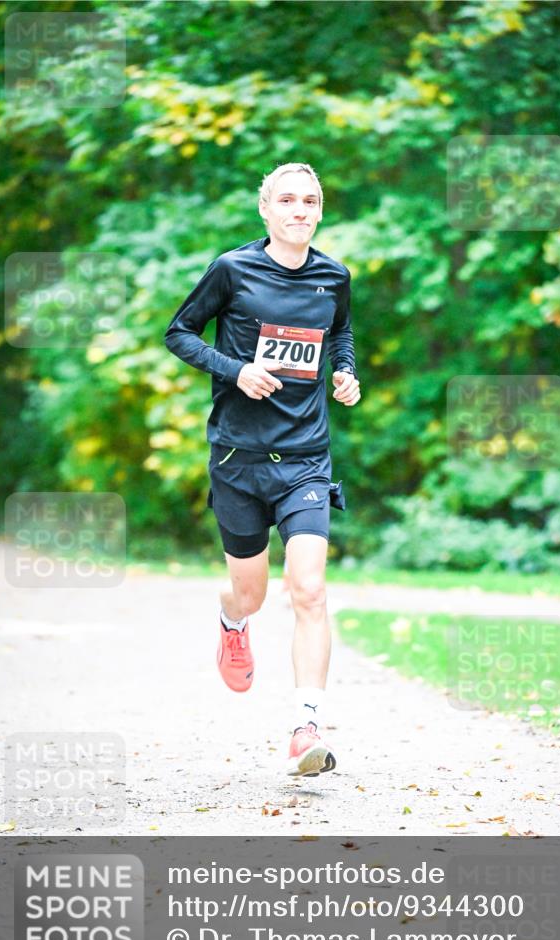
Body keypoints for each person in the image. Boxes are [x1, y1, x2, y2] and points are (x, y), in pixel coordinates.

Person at [165, 162, 360, 777]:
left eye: (309, 201)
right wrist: (235, 369)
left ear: (320, 211)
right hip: (238, 458)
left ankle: (306, 726)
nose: (299, 210)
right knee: (251, 592)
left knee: (308, 589)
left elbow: (342, 332)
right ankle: (230, 620)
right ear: (266, 210)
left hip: (305, 456)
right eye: (287, 200)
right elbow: (179, 333)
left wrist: (346, 371)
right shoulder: (233, 269)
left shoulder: (334, 276)